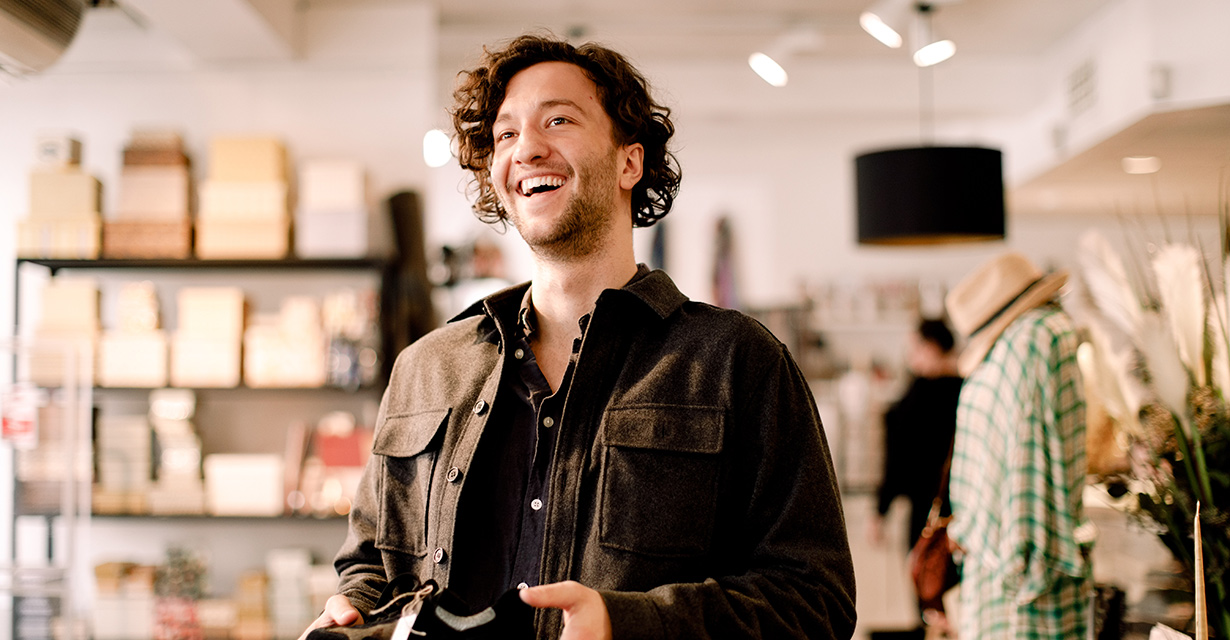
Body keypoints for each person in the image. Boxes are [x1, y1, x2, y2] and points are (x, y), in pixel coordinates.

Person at [300, 33, 856, 640]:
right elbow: (371, 566)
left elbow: (814, 600)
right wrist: (352, 606)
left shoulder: (736, 361)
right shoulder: (426, 368)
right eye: (506, 134)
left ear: (629, 161)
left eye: (558, 120)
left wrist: (627, 623)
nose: (527, 148)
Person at [943, 251, 1092, 639]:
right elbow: (1033, 462)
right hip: (1026, 572)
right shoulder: (1043, 337)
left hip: (987, 568)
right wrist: (1029, 559)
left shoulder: (992, 364)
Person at [868, 318, 962, 627]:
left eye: (915, 348)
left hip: (928, 514)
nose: (910, 356)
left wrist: (880, 511)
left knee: (929, 596)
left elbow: (897, 461)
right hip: (968, 512)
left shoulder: (918, 396)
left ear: (931, 347)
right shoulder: (971, 389)